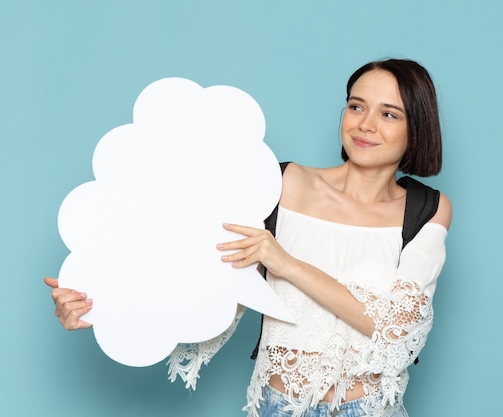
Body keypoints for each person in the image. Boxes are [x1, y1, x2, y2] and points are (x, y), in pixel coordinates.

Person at [46, 58, 452, 417]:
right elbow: (197, 278)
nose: (365, 124)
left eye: (389, 114)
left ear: (416, 128)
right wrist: (97, 306)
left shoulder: (426, 209)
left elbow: (394, 331)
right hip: (277, 406)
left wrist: (285, 263)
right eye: (356, 106)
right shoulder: (281, 183)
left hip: (369, 409)